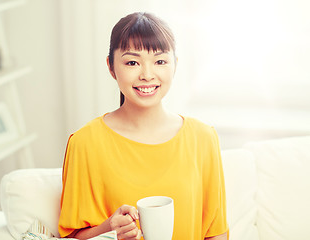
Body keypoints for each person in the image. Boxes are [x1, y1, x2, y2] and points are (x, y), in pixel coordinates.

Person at [58, 12, 228, 240]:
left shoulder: (203, 138)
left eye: (160, 61)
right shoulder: (84, 143)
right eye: (132, 62)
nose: (147, 75)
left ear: (174, 65)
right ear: (111, 67)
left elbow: (216, 232)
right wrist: (109, 229)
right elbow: (71, 237)